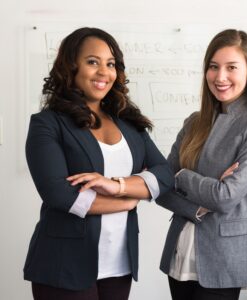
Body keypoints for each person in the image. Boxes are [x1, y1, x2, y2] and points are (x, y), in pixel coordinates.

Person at [23, 27, 174, 300]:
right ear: (71, 67)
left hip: (119, 264)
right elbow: (59, 194)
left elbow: (164, 175)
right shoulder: (47, 124)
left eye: (111, 64)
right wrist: (127, 201)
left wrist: (117, 186)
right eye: (93, 62)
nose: (104, 72)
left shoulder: (128, 122)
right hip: (64, 264)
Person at [156, 29, 247, 300]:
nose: (220, 76)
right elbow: (162, 187)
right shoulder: (194, 122)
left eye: (231, 67)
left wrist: (183, 175)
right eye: (213, 67)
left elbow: (225, 197)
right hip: (181, 251)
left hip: (225, 256)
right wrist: (196, 207)